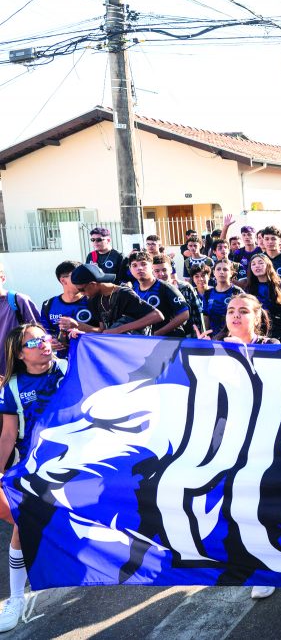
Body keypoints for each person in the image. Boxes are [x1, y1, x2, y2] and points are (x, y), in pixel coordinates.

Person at [0, 323, 67, 632]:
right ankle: (16, 599)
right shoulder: (13, 386)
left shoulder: (71, 368)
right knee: (24, 525)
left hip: (83, 463)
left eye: (44, 337)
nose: (43, 343)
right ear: (20, 354)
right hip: (36, 467)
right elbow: (8, 434)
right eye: (34, 342)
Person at [68, 264, 162, 335]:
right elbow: (103, 330)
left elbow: (157, 315)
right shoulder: (93, 299)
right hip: (115, 350)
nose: (81, 293)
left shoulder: (124, 293)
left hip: (135, 348)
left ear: (93, 284)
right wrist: (79, 327)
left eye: (81, 289)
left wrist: (119, 329)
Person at [127, 250, 190, 337]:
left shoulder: (165, 287)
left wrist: (159, 333)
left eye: (143, 264)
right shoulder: (134, 290)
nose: (139, 268)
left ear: (152, 267)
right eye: (134, 265)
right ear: (130, 269)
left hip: (170, 340)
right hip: (146, 342)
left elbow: (184, 314)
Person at [40, 261, 96, 352]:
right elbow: (44, 332)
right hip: (63, 362)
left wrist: (81, 328)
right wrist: (49, 341)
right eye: (76, 276)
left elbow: (104, 331)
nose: (81, 279)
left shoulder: (93, 301)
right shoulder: (48, 304)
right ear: (63, 280)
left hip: (88, 357)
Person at [243, 253, 281, 342]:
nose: (257, 266)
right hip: (258, 331)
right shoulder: (249, 288)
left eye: (261, 263)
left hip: (279, 330)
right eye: (253, 264)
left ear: (268, 265)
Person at [152, 254, 205, 337]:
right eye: (157, 271)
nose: (161, 274)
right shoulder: (150, 291)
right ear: (152, 271)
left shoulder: (185, 287)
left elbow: (197, 313)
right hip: (159, 337)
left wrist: (198, 336)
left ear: (171, 269)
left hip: (186, 336)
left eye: (164, 270)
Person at [201, 259, 245, 336]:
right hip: (213, 338)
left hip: (233, 338)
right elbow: (205, 317)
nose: (221, 272)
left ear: (231, 273)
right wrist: (205, 335)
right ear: (214, 272)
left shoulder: (237, 292)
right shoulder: (208, 293)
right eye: (218, 269)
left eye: (225, 269)